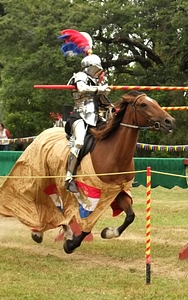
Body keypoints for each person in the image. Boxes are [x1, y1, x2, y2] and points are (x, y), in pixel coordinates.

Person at [59, 29, 112, 192]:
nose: (98, 71)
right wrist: (99, 89)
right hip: (79, 116)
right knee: (80, 141)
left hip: (95, 116)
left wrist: (107, 97)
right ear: (90, 66)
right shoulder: (80, 76)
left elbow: (102, 102)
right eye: (96, 68)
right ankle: (69, 177)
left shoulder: (95, 80)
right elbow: (81, 89)